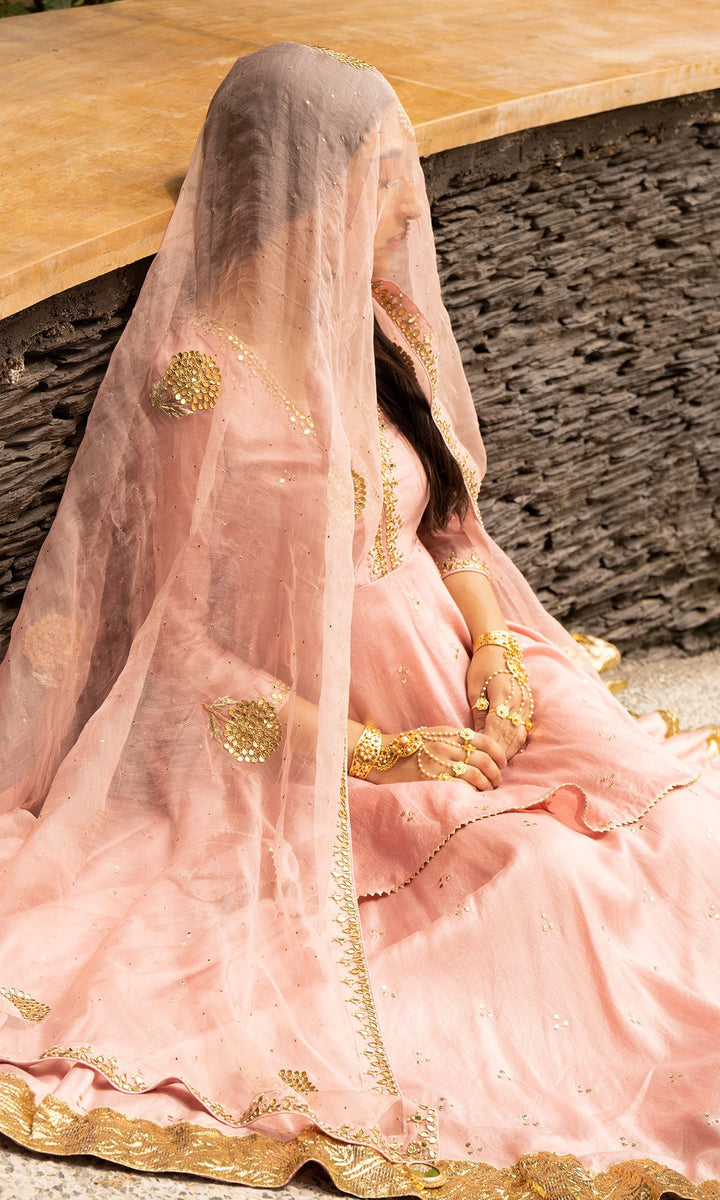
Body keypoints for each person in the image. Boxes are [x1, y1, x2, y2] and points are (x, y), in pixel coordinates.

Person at [0, 41, 719, 1199]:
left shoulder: (378, 328)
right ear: (305, 189)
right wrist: (377, 755)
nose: (407, 205)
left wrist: (495, 647)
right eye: (384, 177)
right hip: (317, 745)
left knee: (665, 820)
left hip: (466, 670)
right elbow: (177, 650)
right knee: (536, 873)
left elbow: (449, 530)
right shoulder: (202, 383)